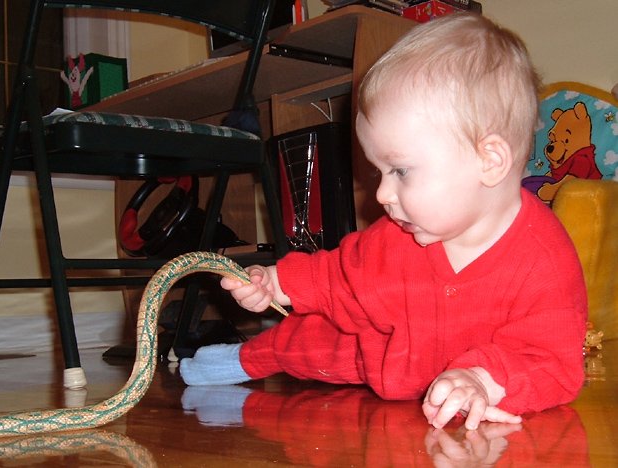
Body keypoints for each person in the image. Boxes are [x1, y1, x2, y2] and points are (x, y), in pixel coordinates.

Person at [180, 12, 587, 431]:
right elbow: (339, 274)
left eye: (401, 171)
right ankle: (245, 358)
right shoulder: (396, 237)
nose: (381, 195)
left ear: (490, 160)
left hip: (472, 382)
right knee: (314, 340)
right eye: (380, 172)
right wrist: (275, 283)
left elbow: (552, 361)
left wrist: (483, 381)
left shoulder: (545, 262)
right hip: (383, 354)